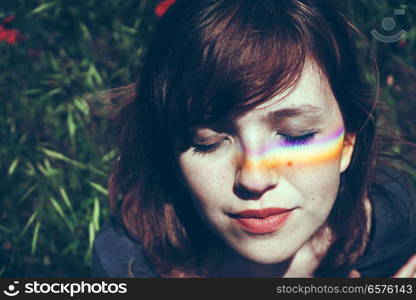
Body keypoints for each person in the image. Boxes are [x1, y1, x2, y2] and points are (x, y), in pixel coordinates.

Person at [91, 0, 416, 277]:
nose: (254, 178)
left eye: (296, 135)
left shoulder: (390, 219)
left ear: (347, 141)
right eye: (207, 141)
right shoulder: (127, 263)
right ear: (171, 154)